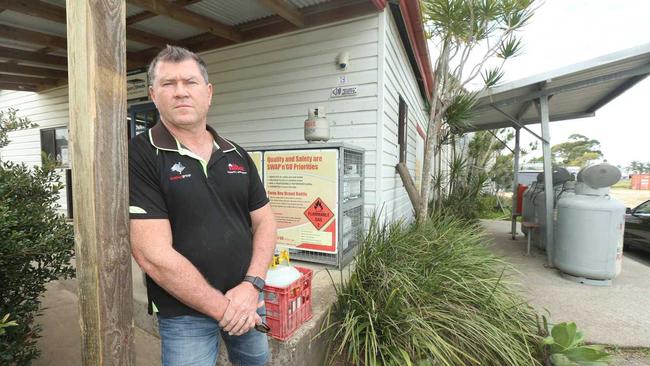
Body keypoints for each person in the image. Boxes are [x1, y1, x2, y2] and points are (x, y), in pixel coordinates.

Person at [128, 45, 277, 366]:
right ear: (154, 94)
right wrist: (226, 309)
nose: (180, 92)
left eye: (190, 82)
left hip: (249, 298)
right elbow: (150, 253)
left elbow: (265, 223)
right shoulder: (140, 153)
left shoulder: (236, 153)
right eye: (169, 84)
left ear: (208, 93)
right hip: (185, 314)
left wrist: (252, 287)